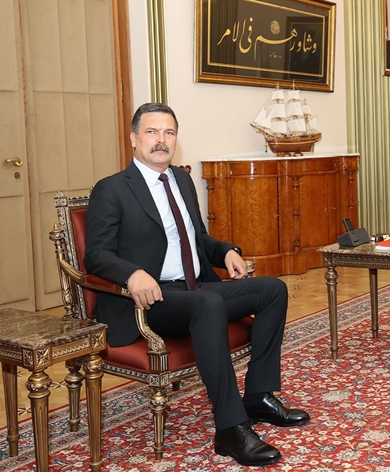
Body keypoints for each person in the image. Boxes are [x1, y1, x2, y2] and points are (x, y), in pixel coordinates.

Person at [83, 103, 309, 467]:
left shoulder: (181, 180)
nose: (161, 140)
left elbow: (197, 239)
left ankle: (257, 397)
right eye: (152, 132)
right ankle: (230, 428)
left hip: (195, 288)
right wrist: (131, 273)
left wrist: (226, 251)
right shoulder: (112, 188)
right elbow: (96, 254)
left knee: (272, 290)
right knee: (209, 304)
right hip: (152, 300)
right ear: (134, 139)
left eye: (169, 132)